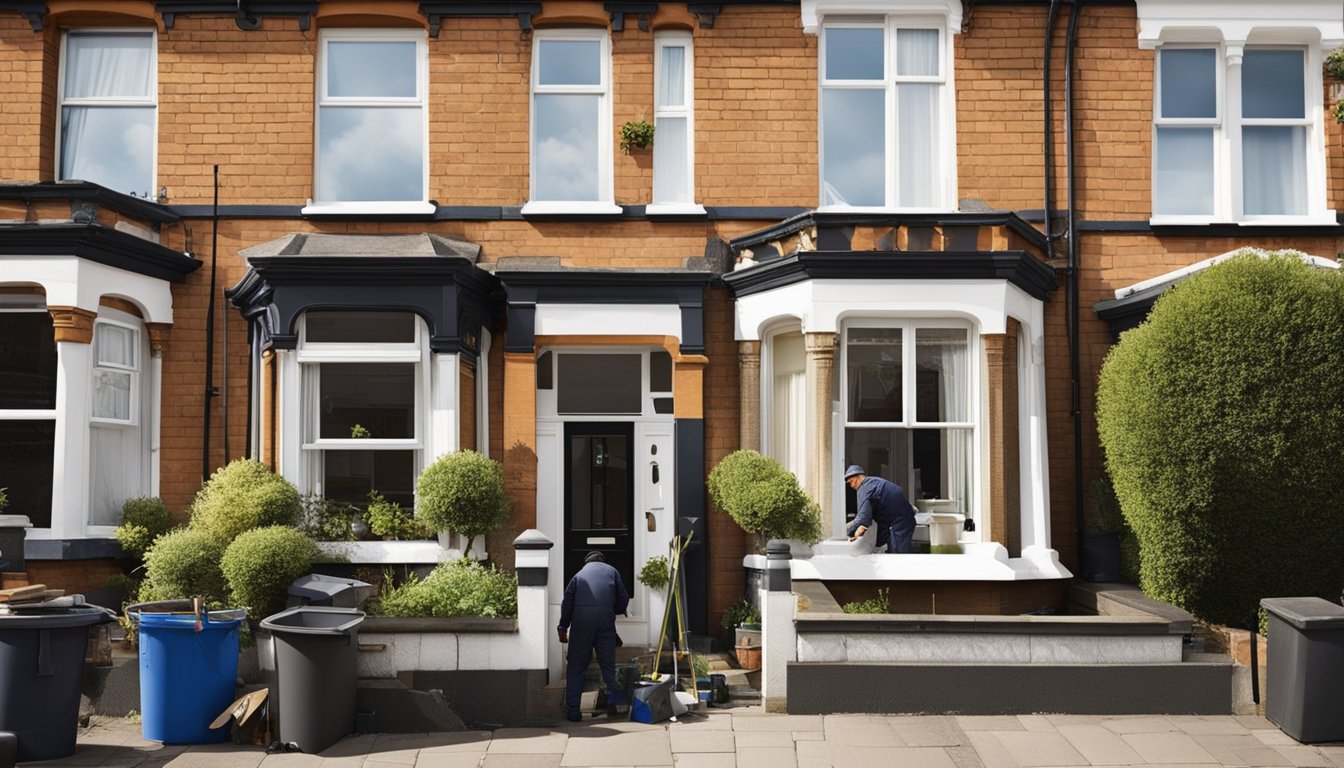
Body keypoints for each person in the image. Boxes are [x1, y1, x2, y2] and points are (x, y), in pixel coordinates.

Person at [557, 550, 629, 722]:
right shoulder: (612, 572)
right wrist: (615, 609)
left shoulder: (579, 575)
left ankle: (574, 711)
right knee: (607, 664)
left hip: (581, 622)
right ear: (603, 561)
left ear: (587, 562)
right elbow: (623, 598)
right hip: (605, 621)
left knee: (576, 666)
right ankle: (614, 706)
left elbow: (567, 603)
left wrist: (562, 627)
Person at [844, 464, 917, 554]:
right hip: (903, 519)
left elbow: (863, 517)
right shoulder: (874, 482)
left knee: (899, 555)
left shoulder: (864, 488)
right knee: (893, 550)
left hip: (900, 523)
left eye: (851, 482)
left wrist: (849, 533)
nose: (851, 486)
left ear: (858, 477)